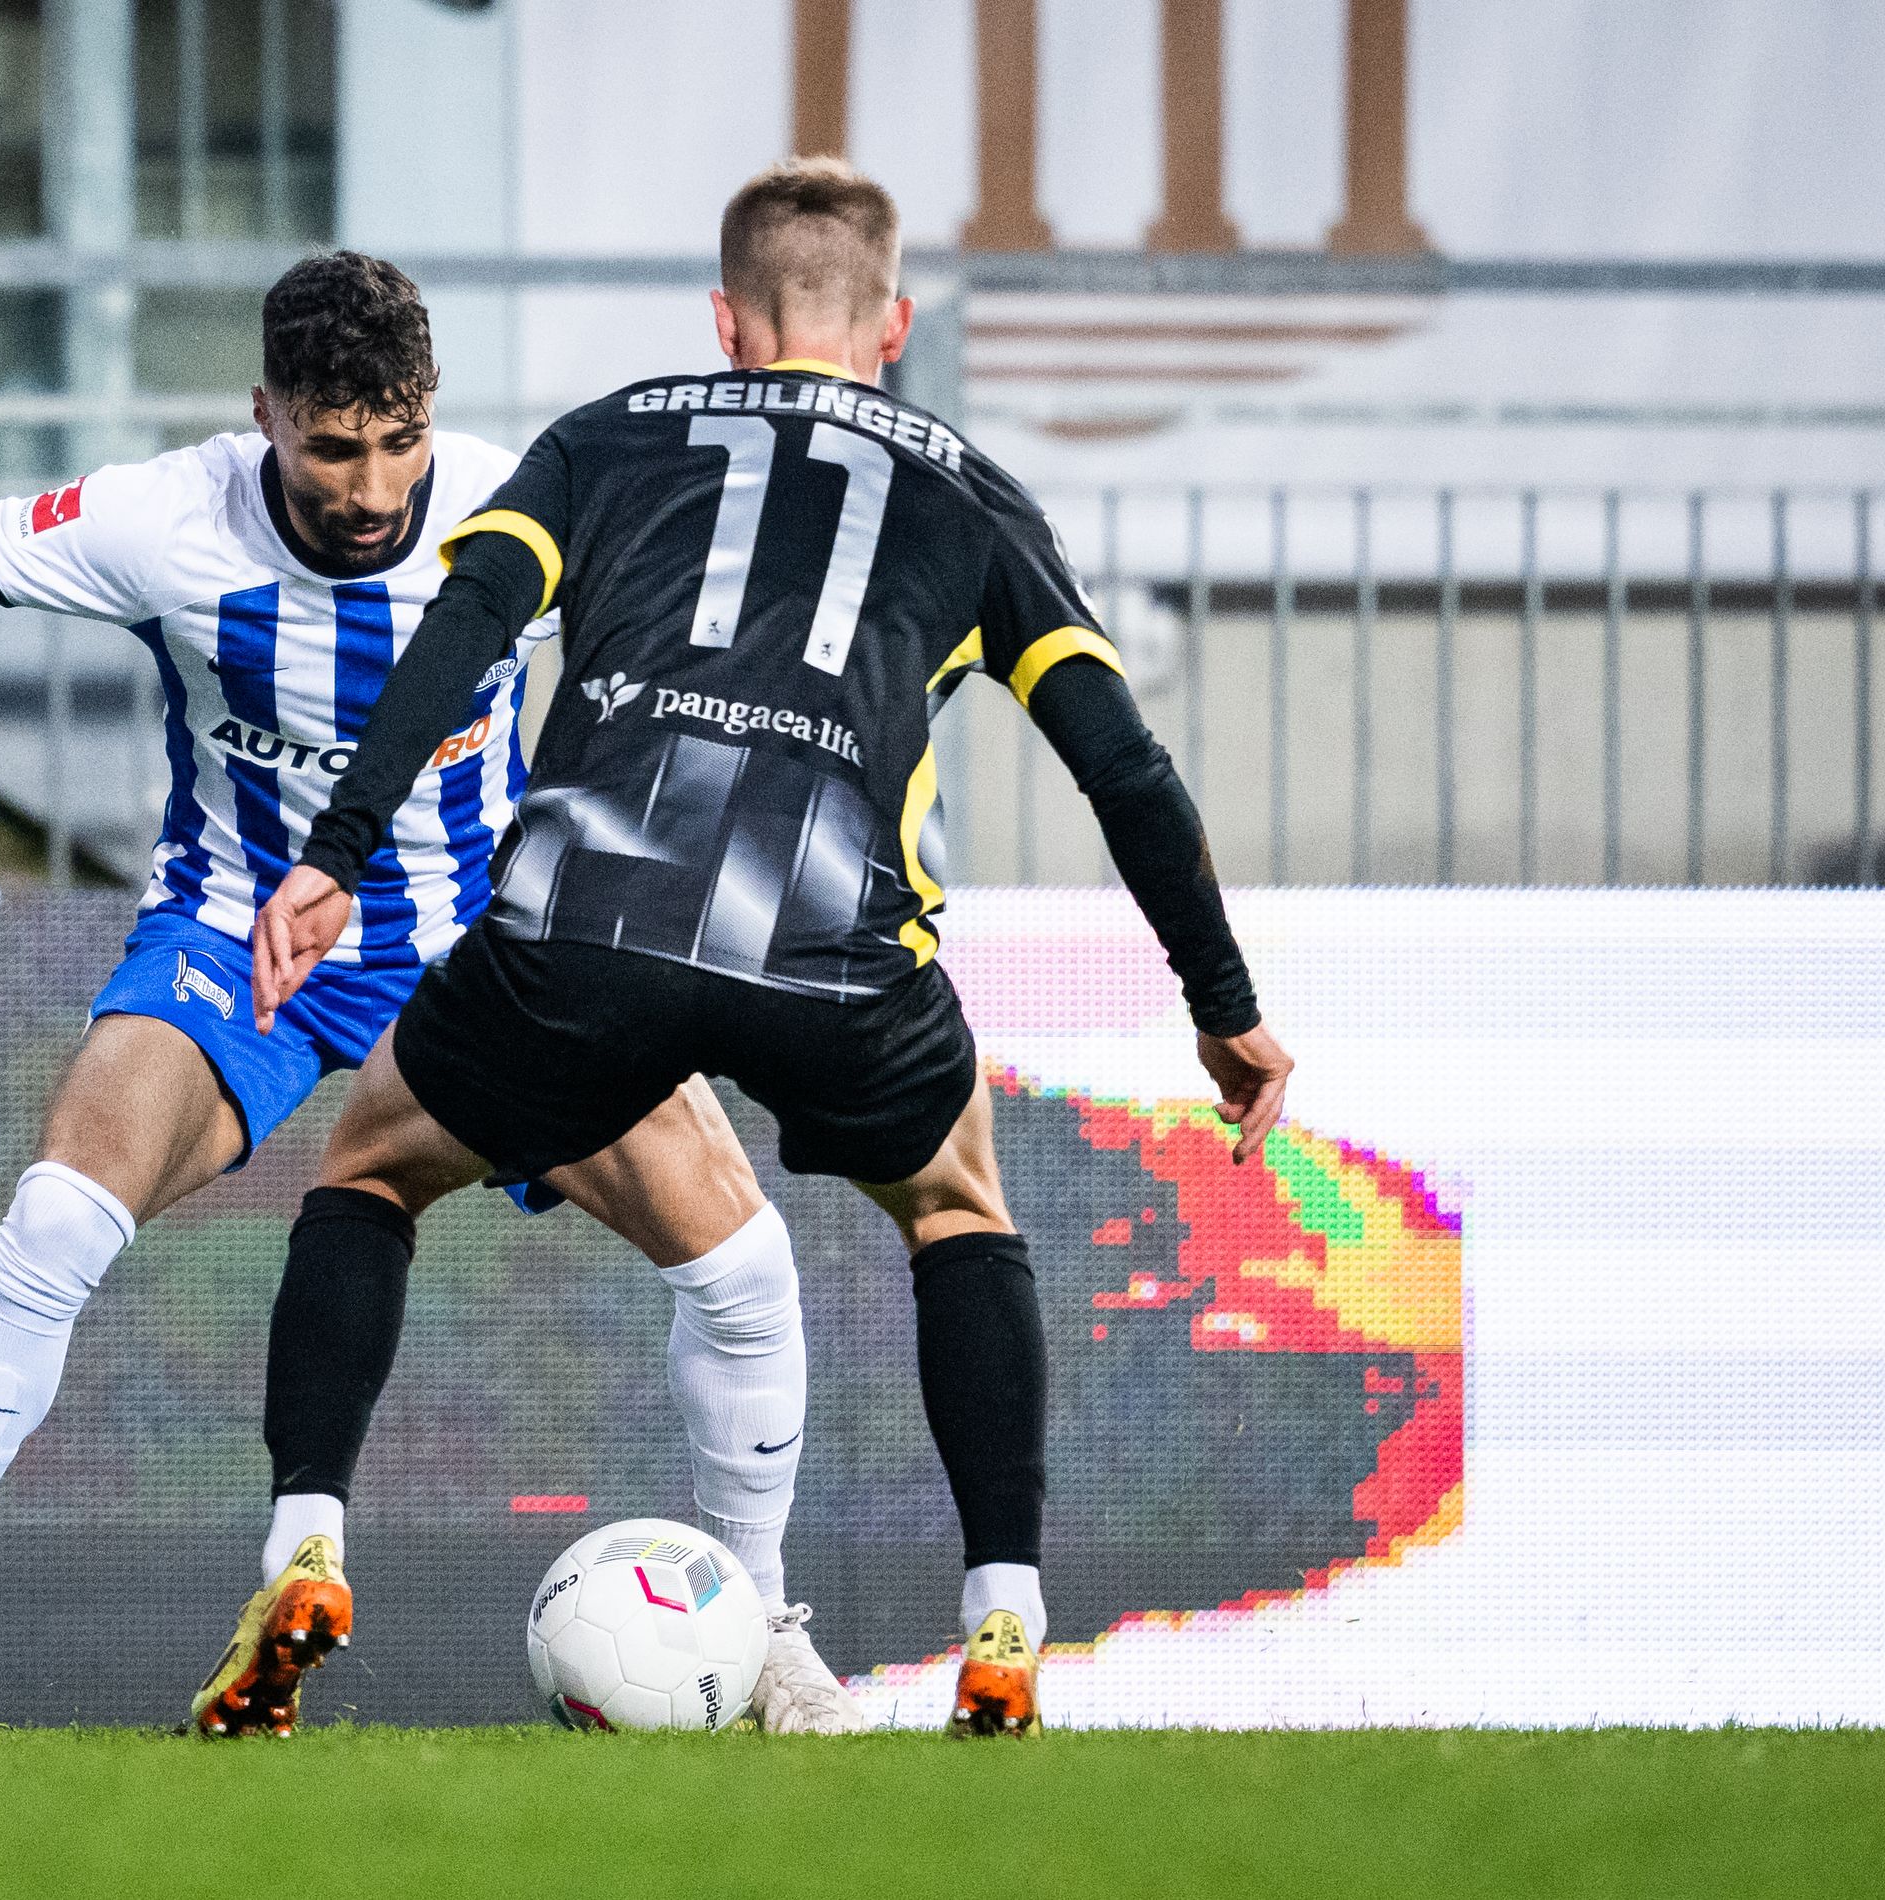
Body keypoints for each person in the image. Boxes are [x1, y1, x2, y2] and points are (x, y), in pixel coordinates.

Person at [0, 252, 848, 1738]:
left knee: (741, 1260)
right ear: (264, 413)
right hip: (234, 934)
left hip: (483, 950)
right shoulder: (164, 523)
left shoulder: (515, 507)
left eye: (398, 440)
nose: (370, 483)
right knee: (52, 1222)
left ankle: (770, 1636)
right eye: (333, 446)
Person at [246, 160, 1297, 1739]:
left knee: (368, 1171)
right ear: (897, 324)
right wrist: (1224, 1010)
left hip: (586, 918)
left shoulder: (602, 437)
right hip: (832, 940)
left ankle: (305, 1544)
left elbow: (459, 635)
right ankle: (1004, 1619)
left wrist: (334, 858)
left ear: (726, 323)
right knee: (957, 1205)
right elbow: (1127, 772)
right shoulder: (974, 495)